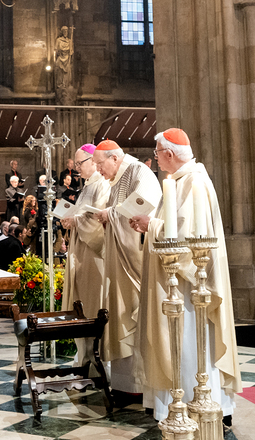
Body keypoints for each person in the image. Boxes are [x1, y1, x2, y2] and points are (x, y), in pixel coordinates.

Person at [132, 129, 240, 425]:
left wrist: (152, 225)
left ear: (169, 153)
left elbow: (185, 237)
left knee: (190, 343)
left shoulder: (194, 181)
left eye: (157, 153)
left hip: (188, 285)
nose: (156, 158)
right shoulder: (178, 181)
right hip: (175, 283)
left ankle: (198, 403)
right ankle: (174, 405)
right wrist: (151, 226)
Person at [92, 139, 162, 400]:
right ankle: (123, 385)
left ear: (115, 158)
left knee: (133, 316)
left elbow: (144, 208)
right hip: (118, 263)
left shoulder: (138, 172)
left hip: (135, 262)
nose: (98, 169)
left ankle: (138, 387)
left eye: (100, 164)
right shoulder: (117, 179)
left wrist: (110, 214)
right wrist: (109, 216)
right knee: (118, 315)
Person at [60, 144, 108, 365]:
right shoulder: (86, 187)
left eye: (80, 163)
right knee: (81, 306)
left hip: (93, 256)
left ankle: (97, 361)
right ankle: (84, 358)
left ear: (93, 161)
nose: (77, 168)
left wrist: (75, 221)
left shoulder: (102, 184)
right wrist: (69, 220)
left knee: (92, 305)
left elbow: (98, 220)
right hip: (80, 252)